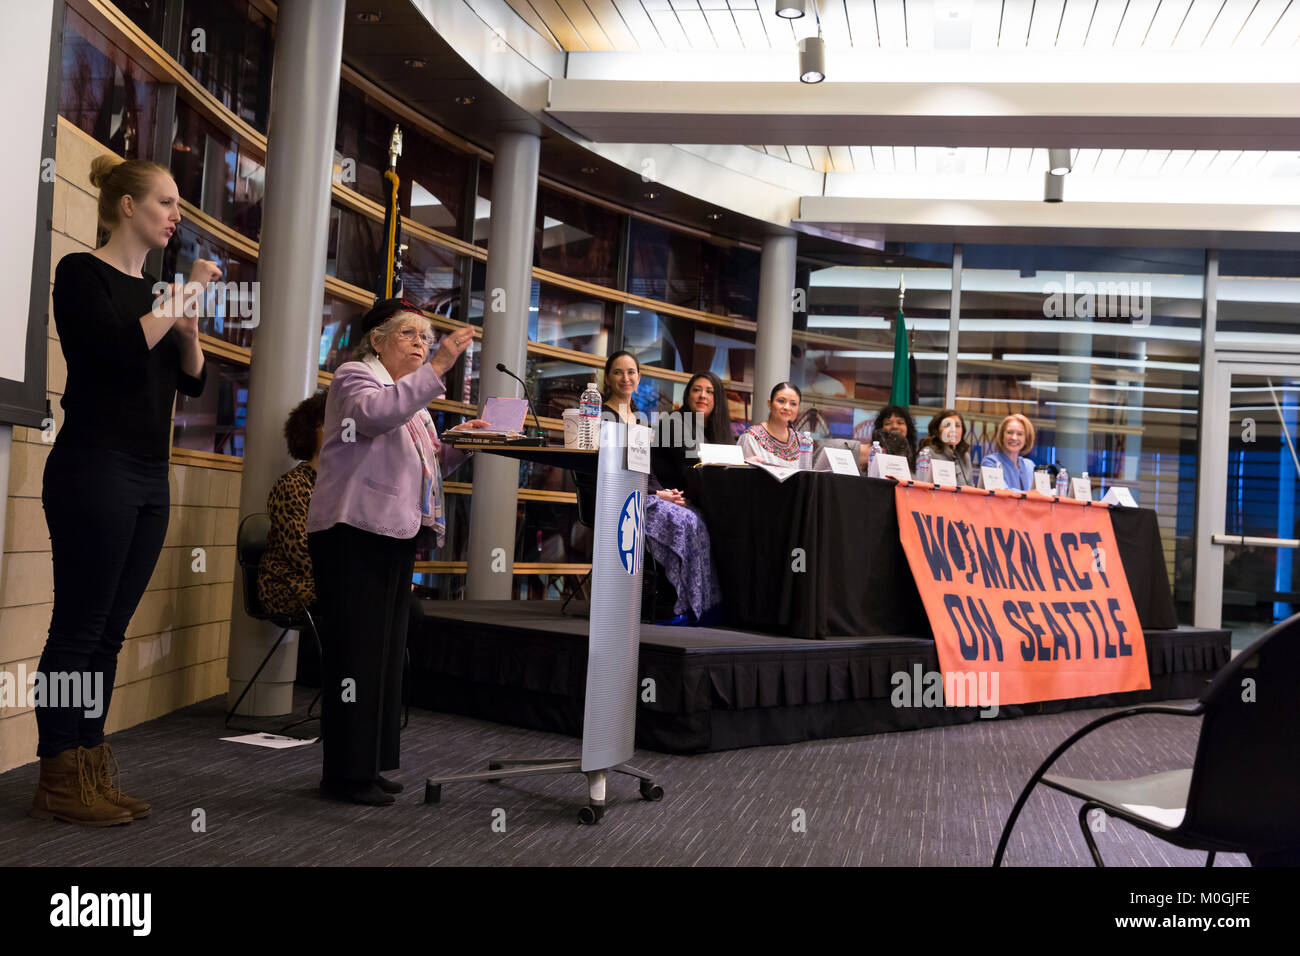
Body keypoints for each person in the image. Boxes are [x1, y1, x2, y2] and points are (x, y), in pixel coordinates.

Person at [32, 154, 214, 826]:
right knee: (78, 629)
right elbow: (111, 352)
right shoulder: (81, 274)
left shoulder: (161, 296)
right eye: (165, 203)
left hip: (147, 472)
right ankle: (57, 774)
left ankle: (90, 760)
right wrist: (177, 301)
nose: (175, 216)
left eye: (176, 206)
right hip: (94, 466)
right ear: (127, 206)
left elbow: (191, 381)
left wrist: (189, 331)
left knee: (109, 634)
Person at [306, 300, 488, 805]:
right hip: (353, 532)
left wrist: (466, 442)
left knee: (383, 655)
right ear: (377, 340)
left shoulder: (414, 401)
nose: (420, 344)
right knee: (355, 655)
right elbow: (373, 417)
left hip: (392, 532)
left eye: (426, 339)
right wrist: (439, 367)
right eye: (408, 334)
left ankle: (369, 764)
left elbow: (430, 462)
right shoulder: (354, 377)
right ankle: (343, 774)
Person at [599, 351, 721, 624]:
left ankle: (698, 606)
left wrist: (663, 493)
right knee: (686, 521)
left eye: (631, 372)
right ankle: (675, 605)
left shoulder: (638, 420)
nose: (625, 378)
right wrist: (656, 493)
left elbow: (646, 469)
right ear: (608, 377)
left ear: (639, 378)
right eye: (618, 372)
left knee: (697, 519)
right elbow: (611, 470)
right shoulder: (602, 417)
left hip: (647, 494)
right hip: (621, 499)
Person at [258, 391, 328, 617]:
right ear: (310, 432)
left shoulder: (341, 486)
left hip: (324, 581)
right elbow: (300, 553)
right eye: (328, 424)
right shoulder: (292, 485)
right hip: (288, 584)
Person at [651, 370, 733, 492]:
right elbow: (694, 462)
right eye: (696, 390)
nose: (702, 395)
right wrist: (736, 460)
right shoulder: (673, 421)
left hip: (705, 496)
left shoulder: (720, 429)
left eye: (709, 391)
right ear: (688, 395)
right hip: (675, 498)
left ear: (718, 399)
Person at [738, 382, 814, 469]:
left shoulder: (801, 441)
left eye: (793, 404)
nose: (787, 407)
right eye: (781, 401)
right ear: (769, 403)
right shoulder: (751, 437)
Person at [918, 408, 975, 486]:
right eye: (947, 425)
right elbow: (920, 486)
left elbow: (971, 486)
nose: (953, 430)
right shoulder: (927, 453)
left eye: (957, 426)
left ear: (963, 431)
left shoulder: (965, 456)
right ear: (937, 430)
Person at [981, 413, 1037, 491]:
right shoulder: (990, 462)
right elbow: (1002, 493)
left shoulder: (1029, 465)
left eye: (1020, 434)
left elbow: (1039, 494)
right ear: (1002, 436)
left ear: (1026, 440)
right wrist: (1030, 496)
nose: (1014, 437)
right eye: (1009, 432)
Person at [872, 404, 919, 469]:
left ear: (908, 427)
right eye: (888, 423)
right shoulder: (873, 451)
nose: (894, 426)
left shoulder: (918, 456)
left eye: (900, 423)